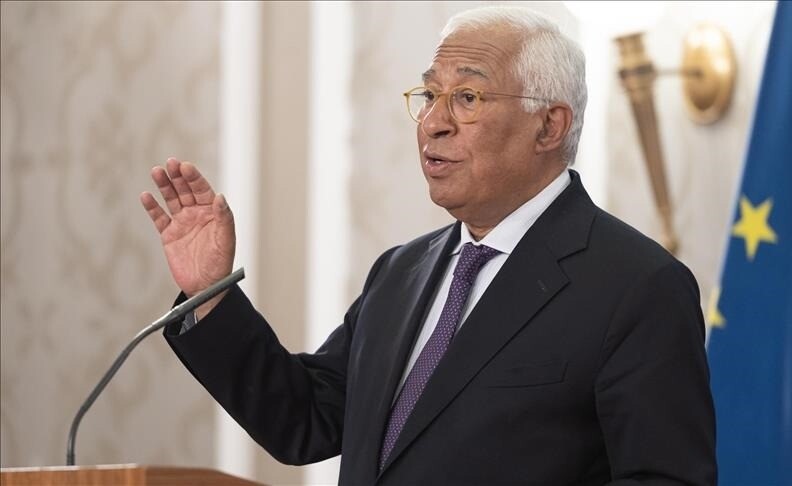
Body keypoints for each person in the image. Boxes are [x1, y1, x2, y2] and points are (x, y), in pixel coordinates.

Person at [140, 6, 716, 485]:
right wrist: (210, 293)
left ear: (549, 126)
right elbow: (306, 420)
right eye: (429, 94)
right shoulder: (401, 271)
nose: (433, 123)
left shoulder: (637, 286)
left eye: (467, 97)